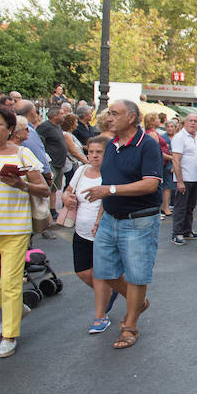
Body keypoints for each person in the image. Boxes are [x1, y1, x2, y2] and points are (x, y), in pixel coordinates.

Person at [85, 100, 162, 349]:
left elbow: (151, 183)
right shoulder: (111, 146)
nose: (109, 118)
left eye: (115, 114)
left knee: (137, 275)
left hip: (139, 220)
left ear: (131, 118)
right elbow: (105, 185)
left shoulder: (147, 145)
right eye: (109, 114)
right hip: (110, 218)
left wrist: (111, 190)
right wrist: (100, 215)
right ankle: (136, 301)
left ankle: (130, 327)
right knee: (104, 271)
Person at [0, 106, 51, 358]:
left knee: (9, 283)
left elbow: (44, 190)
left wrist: (21, 184)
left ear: (10, 129)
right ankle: (17, 308)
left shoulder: (23, 154)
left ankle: (9, 334)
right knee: (4, 286)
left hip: (14, 229)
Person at [62, 136, 118, 334]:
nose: (94, 156)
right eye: (91, 152)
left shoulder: (111, 173)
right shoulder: (81, 170)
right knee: (83, 272)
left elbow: (108, 199)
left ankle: (100, 317)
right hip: (80, 231)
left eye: (99, 152)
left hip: (101, 231)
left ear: (107, 153)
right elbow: (68, 190)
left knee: (99, 275)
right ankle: (112, 291)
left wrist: (99, 221)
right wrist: (66, 198)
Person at [170, 114, 197, 245]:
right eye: (191, 121)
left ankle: (187, 230)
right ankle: (176, 233)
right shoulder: (180, 138)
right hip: (184, 178)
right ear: (185, 122)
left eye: (196, 121)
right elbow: (176, 160)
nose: (193, 123)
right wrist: (179, 181)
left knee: (190, 206)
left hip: (195, 178)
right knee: (180, 207)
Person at [36, 105, 68, 219]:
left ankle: (53, 210)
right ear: (55, 116)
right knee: (47, 188)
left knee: (55, 189)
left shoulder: (58, 127)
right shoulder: (44, 127)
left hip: (59, 164)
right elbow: (38, 143)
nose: (64, 116)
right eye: (61, 114)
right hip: (51, 164)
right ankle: (42, 215)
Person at [61, 113, 88, 188]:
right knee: (71, 185)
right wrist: (85, 161)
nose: (77, 124)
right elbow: (74, 152)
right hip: (71, 165)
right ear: (70, 123)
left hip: (74, 164)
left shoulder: (70, 135)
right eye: (75, 122)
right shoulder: (66, 135)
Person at [159, 120, 178, 217]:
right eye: (168, 126)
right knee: (167, 187)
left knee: (171, 187)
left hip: (175, 164)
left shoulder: (178, 138)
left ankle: (167, 206)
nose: (170, 128)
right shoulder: (163, 138)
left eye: (172, 126)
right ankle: (165, 207)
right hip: (165, 164)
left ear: (175, 128)